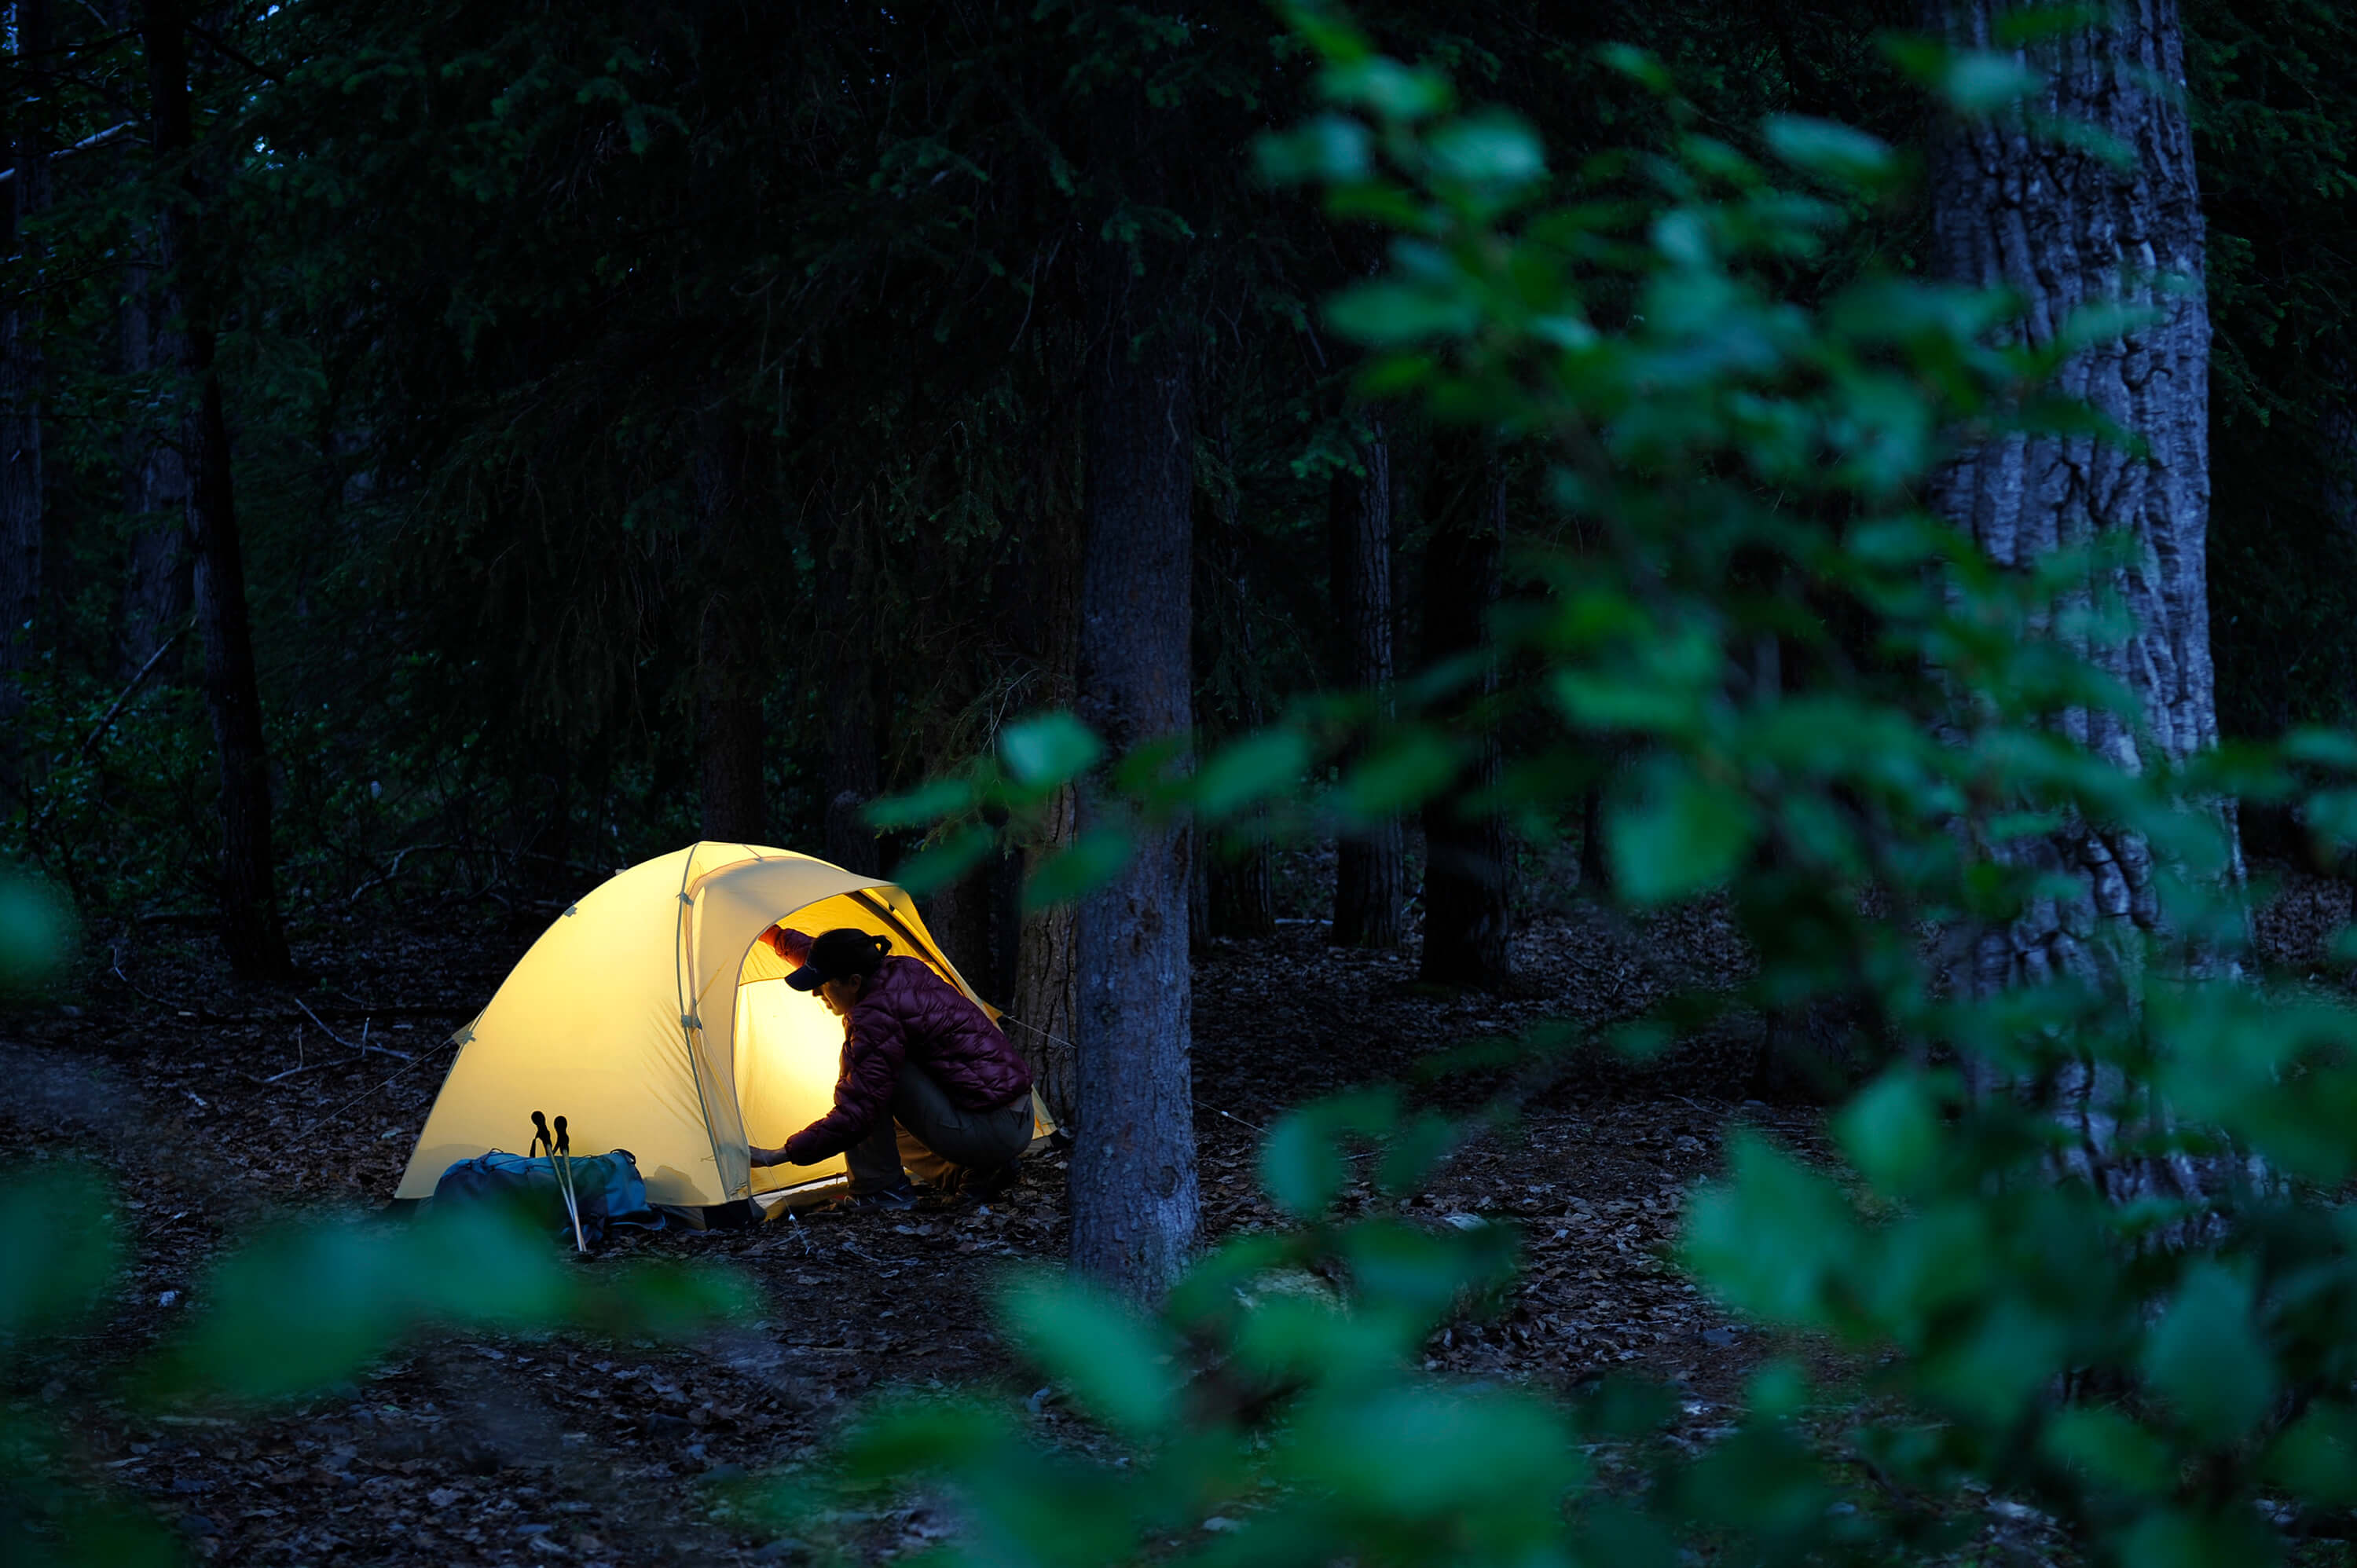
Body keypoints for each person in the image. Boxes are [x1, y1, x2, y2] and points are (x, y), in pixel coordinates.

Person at [749, 925, 1034, 1209]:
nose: (815, 993)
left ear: (854, 982)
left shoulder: (875, 1016)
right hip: (1015, 1118)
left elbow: (856, 1114)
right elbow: (824, 956)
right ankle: (977, 1173)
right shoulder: (897, 970)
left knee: (869, 1093)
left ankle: (879, 1190)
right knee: (882, 1104)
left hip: (993, 1131)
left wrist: (779, 1155)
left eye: (822, 983)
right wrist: (769, 933)